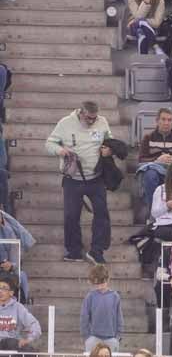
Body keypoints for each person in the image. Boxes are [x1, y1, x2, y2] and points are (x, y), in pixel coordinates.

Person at [45, 102, 114, 264]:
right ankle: (74, 250)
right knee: (71, 216)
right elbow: (49, 143)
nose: (92, 121)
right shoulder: (65, 123)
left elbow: (110, 140)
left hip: (96, 177)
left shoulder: (102, 122)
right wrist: (61, 151)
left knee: (102, 214)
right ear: (81, 113)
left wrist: (109, 150)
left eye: (94, 118)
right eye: (89, 118)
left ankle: (97, 250)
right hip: (73, 179)